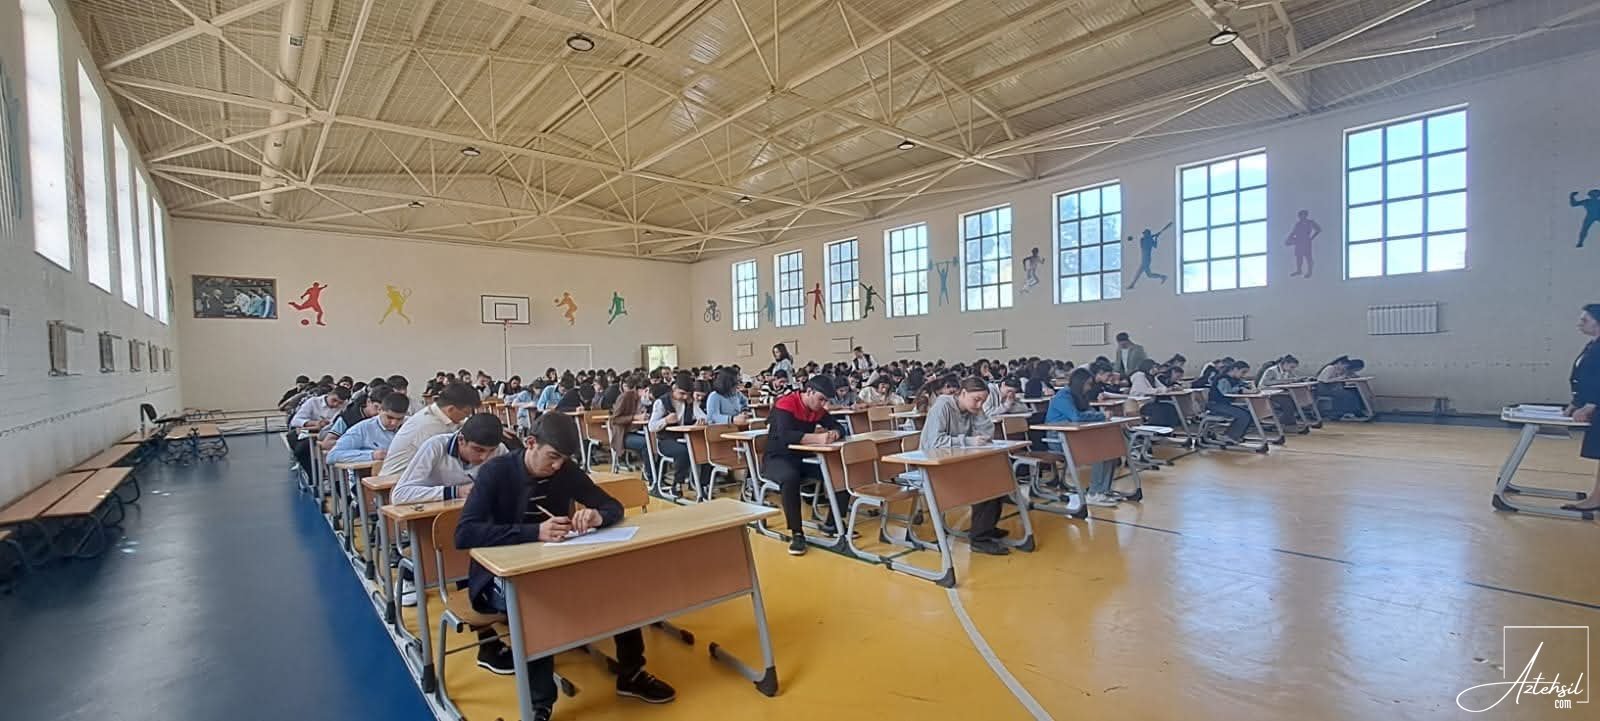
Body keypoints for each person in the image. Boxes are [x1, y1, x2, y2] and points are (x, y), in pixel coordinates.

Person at [455, 414, 676, 716]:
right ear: (530, 443)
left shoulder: (565, 471)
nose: (558, 465)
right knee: (535, 602)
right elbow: (465, 533)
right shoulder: (496, 472)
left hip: (555, 565)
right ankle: (540, 705)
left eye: (564, 459)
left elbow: (612, 505)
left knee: (620, 587)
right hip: (499, 576)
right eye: (553, 457)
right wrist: (534, 532)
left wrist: (598, 516)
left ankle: (632, 674)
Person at [762, 376, 850, 556]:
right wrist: (817, 438)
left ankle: (832, 523)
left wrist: (834, 433)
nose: (824, 405)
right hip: (776, 458)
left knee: (840, 470)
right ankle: (797, 533)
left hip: (801, 458)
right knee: (790, 477)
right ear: (809, 392)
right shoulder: (786, 403)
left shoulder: (817, 409)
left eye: (826, 401)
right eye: (821, 399)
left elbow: (839, 427)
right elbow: (785, 435)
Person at [922, 378, 1010, 554]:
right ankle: (979, 537)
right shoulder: (943, 406)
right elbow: (934, 442)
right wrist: (969, 441)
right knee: (985, 482)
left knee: (998, 475)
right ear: (962, 393)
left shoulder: (972, 409)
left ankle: (986, 527)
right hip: (933, 467)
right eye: (976, 399)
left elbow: (987, 435)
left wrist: (979, 412)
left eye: (983, 401)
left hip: (958, 463)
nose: (979, 404)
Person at [391, 413, 508, 504]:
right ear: (461, 440)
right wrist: (456, 492)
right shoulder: (435, 446)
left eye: (491, 451)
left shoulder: (500, 449)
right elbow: (400, 494)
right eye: (478, 450)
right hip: (435, 518)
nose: (484, 457)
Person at [1045, 368, 1119, 507]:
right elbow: (1076, 417)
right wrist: (1101, 416)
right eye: (1088, 384)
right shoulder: (1063, 396)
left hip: (1075, 437)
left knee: (1110, 450)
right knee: (1100, 451)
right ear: (1080, 383)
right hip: (1058, 439)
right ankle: (1094, 494)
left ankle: (1103, 491)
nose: (1089, 388)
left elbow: (1089, 412)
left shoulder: (1080, 396)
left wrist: (1099, 415)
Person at [379, 383, 479, 477]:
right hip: (395, 482)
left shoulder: (434, 413)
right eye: (466, 413)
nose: (466, 417)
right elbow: (446, 466)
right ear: (451, 409)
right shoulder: (431, 426)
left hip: (415, 476)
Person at [1560, 304, 1600, 511]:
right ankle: (1597, 497)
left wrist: (1591, 405)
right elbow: (1583, 378)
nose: (1579, 323)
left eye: (1585, 320)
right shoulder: (1592, 346)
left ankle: (1596, 499)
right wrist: (1575, 403)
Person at [647, 378, 711, 494]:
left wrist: (701, 421)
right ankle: (677, 484)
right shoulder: (662, 402)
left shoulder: (690, 402)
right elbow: (652, 426)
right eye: (682, 393)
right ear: (674, 388)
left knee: (706, 449)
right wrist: (666, 420)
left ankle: (703, 485)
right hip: (666, 440)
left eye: (687, 394)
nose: (685, 397)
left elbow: (704, 417)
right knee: (684, 452)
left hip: (685, 438)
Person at [327, 393, 410, 464]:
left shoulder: (409, 425)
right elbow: (333, 455)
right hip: (369, 475)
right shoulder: (362, 428)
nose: (394, 423)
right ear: (379, 410)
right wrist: (371, 455)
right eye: (389, 417)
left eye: (399, 419)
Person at [289, 386, 350, 472]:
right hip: (311, 430)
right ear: (329, 394)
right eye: (334, 400)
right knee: (297, 442)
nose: (336, 405)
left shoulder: (346, 406)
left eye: (340, 403)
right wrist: (314, 423)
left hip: (331, 433)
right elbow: (295, 421)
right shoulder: (313, 402)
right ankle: (310, 470)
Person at [1207, 361, 1255, 444]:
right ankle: (1230, 436)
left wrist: (1248, 386)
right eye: (1243, 372)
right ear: (1235, 369)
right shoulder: (1223, 378)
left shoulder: (1235, 379)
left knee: (1250, 413)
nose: (1244, 375)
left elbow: (1242, 384)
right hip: (1215, 405)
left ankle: (1236, 435)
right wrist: (1241, 390)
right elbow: (1226, 392)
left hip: (1225, 405)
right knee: (1243, 415)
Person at [1128, 359, 1183, 428]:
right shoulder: (1139, 375)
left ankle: (1169, 429)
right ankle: (1157, 429)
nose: (1155, 370)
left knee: (1170, 407)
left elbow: (1162, 387)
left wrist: (1172, 388)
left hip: (1150, 402)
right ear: (1147, 367)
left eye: (1155, 368)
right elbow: (1145, 390)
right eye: (1153, 367)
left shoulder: (1152, 377)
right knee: (1160, 410)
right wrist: (1163, 390)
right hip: (1139, 404)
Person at [1285, 210, 1322, 277]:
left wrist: (1312, 238)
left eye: (1303, 215)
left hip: (1306, 241)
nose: (1302, 217)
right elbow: (1293, 232)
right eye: (1300, 215)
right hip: (1298, 241)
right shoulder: (1298, 224)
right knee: (1299, 257)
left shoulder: (1310, 222)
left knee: (1308, 257)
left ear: (1306, 215)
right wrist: (1288, 239)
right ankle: (1299, 270)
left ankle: (1309, 272)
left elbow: (1318, 229)